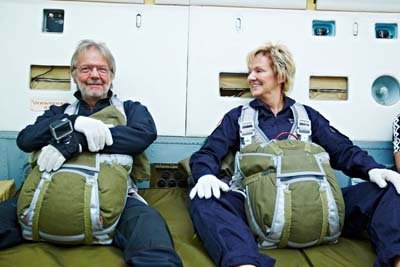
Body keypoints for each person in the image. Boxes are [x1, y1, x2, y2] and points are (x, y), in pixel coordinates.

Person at [188, 42, 400, 267]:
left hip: (317, 205)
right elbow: (208, 152)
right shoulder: (238, 117)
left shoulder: (307, 116)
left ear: (280, 74)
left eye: (259, 71)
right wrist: (204, 175)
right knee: (205, 199)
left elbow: (343, 150)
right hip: (257, 209)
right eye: (250, 71)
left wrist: (375, 169)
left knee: (388, 190)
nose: (250, 77)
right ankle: (244, 263)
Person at [0, 39, 182, 267]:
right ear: (74, 75)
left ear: (112, 75)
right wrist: (73, 122)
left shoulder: (132, 110)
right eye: (86, 69)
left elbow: (143, 136)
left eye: (102, 69)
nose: (95, 75)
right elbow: (26, 140)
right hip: (45, 190)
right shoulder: (59, 113)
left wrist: (78, 141)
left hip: (118, 200)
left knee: (151, 232)